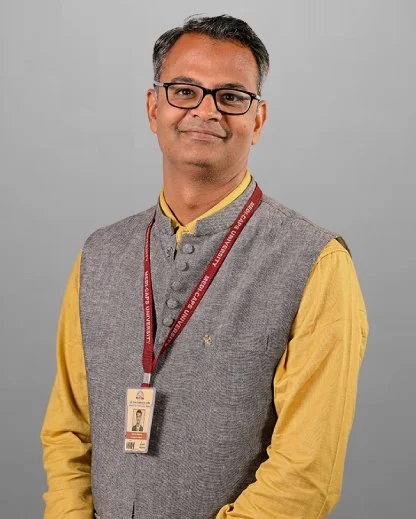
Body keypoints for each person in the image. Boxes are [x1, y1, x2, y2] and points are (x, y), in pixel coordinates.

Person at [40, 14, 369, 519]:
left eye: (231, 96)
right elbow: (68, 433)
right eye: (185, 91)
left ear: (257, 120)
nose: (206, 110)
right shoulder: (99, 255)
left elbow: (306, 475)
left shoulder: (317, 264)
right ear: (154, 108)